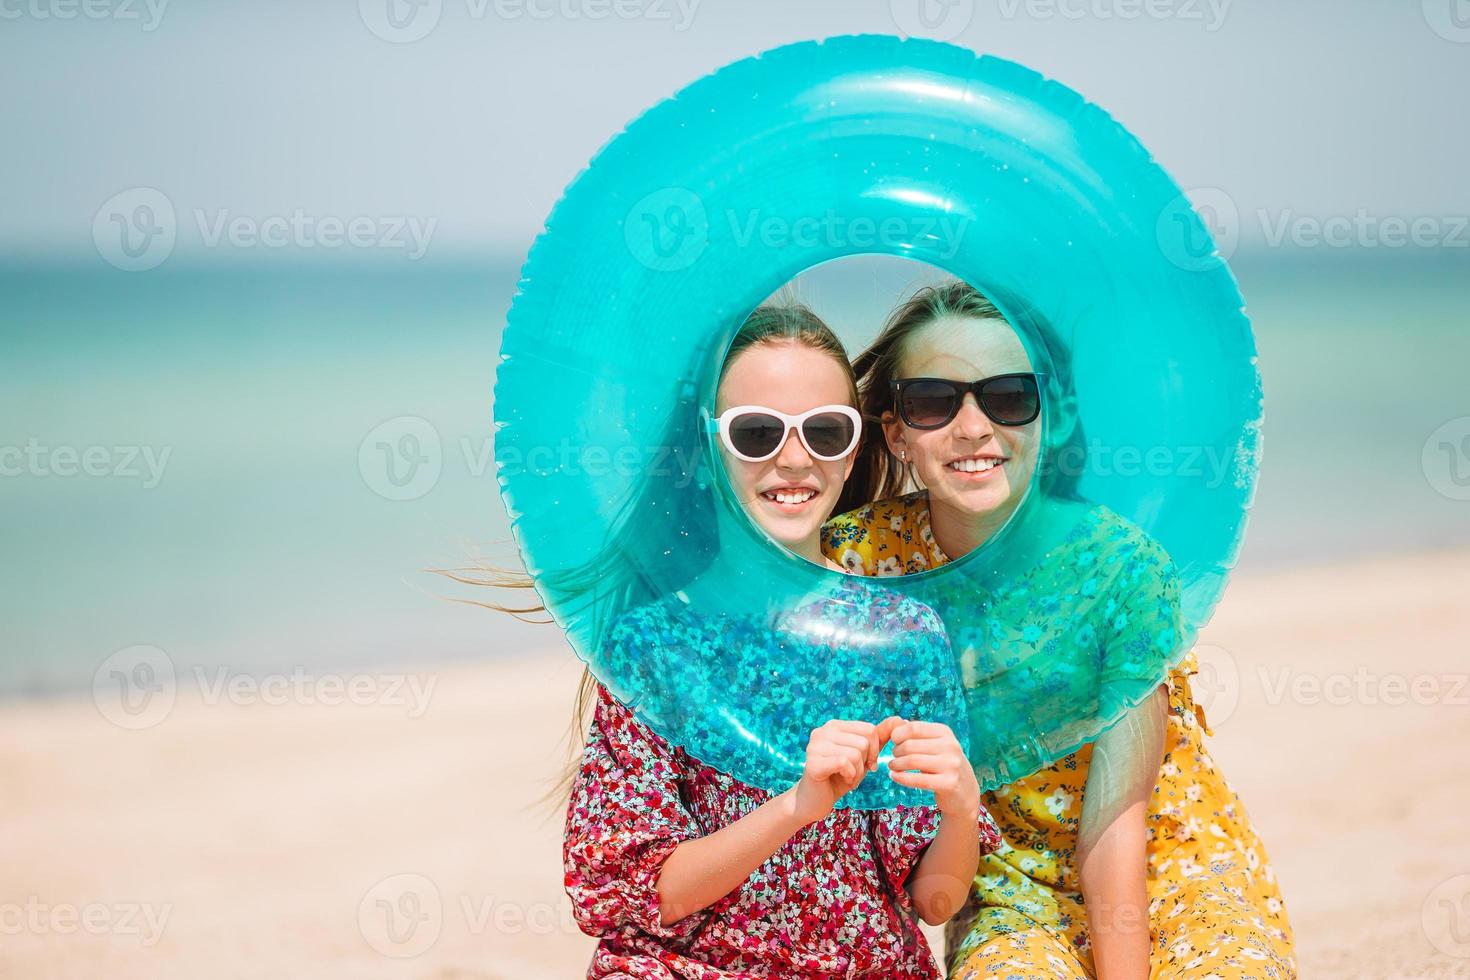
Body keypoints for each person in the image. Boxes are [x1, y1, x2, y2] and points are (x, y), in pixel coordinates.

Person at [822, 280, 1296, 979]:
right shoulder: (861, 561)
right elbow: (747, 552)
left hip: (1175, 866)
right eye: (933, 401)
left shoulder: (1122, 571)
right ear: (895, 432)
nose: (975, 426)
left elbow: (1116, 827)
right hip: (1006, 893)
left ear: (1058, 414)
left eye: (1009, 396)